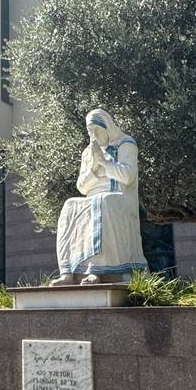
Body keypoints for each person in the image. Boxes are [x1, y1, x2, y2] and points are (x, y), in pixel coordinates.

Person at [52, 108, 148, 285]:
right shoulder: (88, 152)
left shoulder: (126, 144)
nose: (94, 135)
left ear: (108, 127)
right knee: (69, 205)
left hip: (118, 196)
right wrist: (95, 168)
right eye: (90, 131)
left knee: (102, 202)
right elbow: (82, 187)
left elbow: (128, 177)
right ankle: (68, 272)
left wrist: (104, 162)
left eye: (97, 129)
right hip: (93, 197)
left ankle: (96, 270)